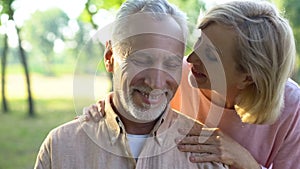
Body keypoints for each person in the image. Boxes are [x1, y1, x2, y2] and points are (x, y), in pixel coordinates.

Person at [85, 1, 300, 169]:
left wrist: (244, 161)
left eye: (210, 56)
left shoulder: (293, 109)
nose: (190, 59)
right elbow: (130, 98)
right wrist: (106, 110)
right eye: (199, 42)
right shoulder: (179, 73)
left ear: (247, 77)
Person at [34, 0, 229, 168]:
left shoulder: (206, 152)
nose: (156, 83)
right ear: (110, 57)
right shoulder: (60, 146)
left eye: (171, 64)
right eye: (142, 60)